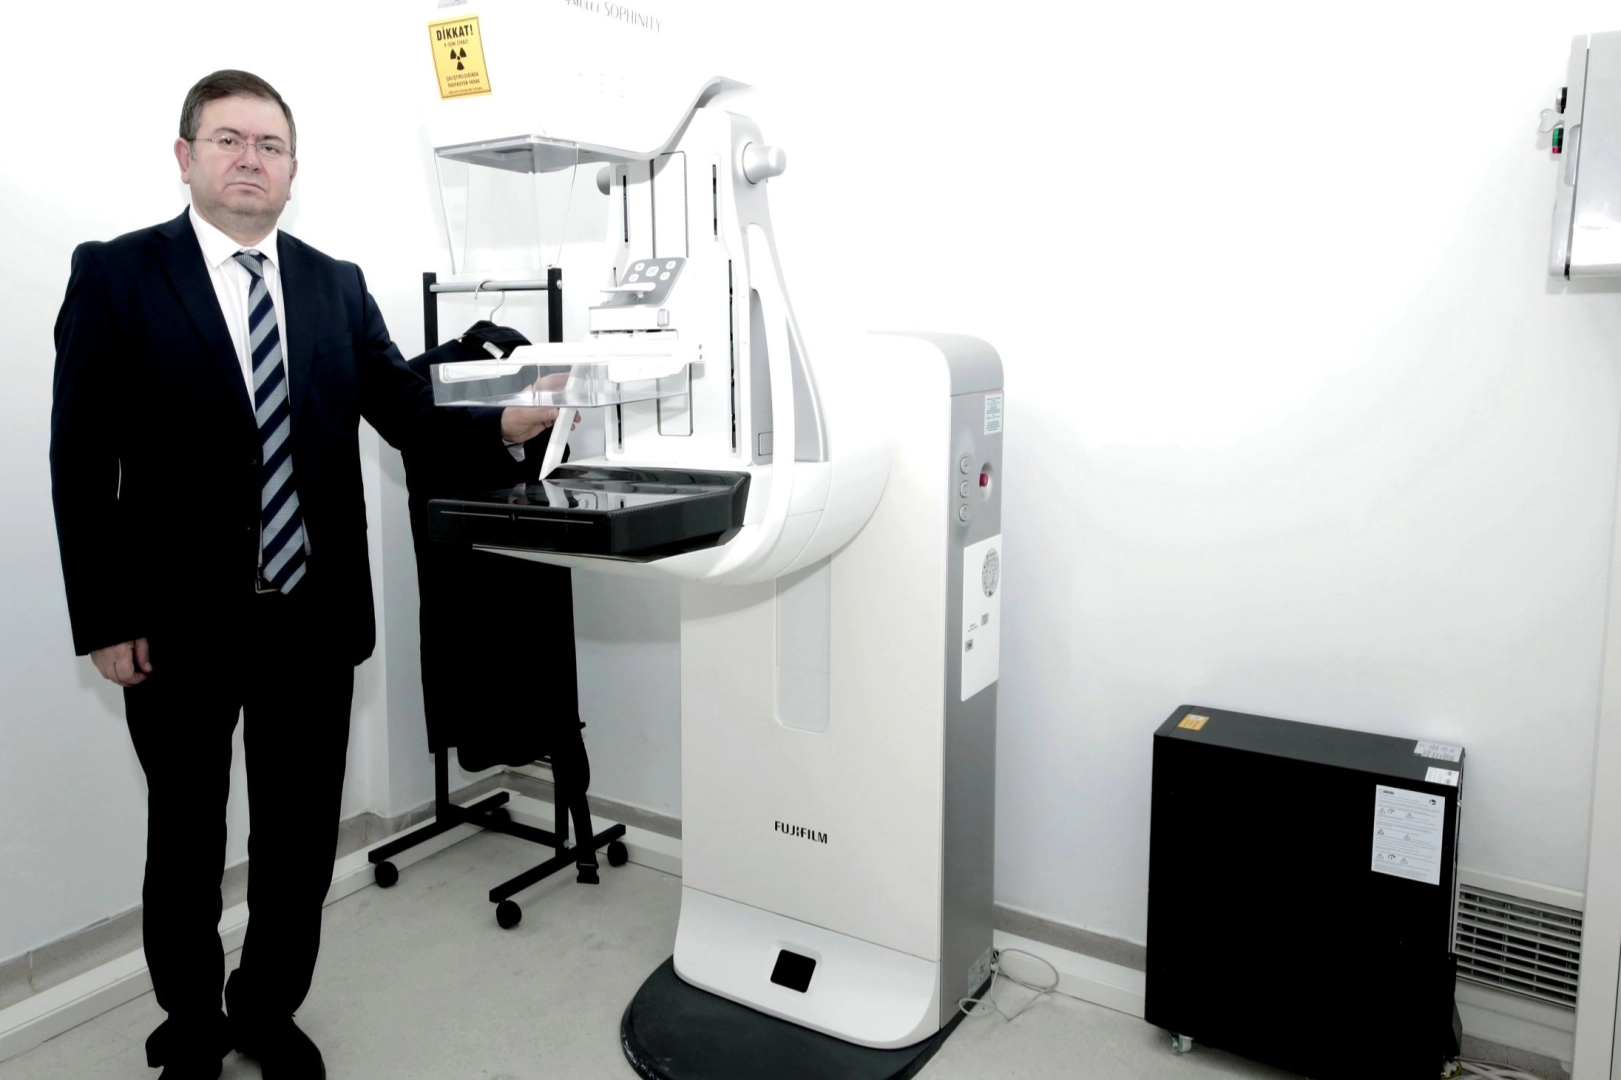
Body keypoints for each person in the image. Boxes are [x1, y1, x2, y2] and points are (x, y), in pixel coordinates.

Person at [48, 70, 562, 1080]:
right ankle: (191, 1025)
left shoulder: (334, 283)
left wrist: (507, 421)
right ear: (185, 156)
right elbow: (80, 458)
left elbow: (405, 410)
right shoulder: (116, 274)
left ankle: (267, 1010)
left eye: (270, 145)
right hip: (175, 623)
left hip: (311, 620)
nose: (251, 158)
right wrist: (104, 616)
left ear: (292, 168)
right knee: (186, 839)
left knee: (296, 840)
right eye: (228, 139)